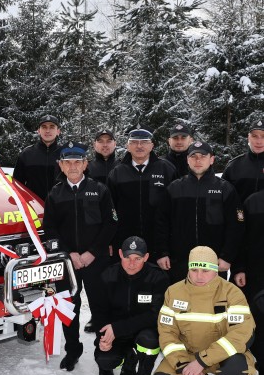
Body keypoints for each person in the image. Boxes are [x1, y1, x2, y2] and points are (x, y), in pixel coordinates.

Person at [150, 246, 256, 375]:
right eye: (194, 270)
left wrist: (201, 361)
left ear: (215, 270)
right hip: (188, 355)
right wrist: (183, 363)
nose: (199, 276)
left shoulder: (233, 293)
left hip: (223, 356)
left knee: (237, 369)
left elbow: (241, 334)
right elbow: (167, 333)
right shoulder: (173, 292)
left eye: (205, 270)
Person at [43, 141, 117, 372]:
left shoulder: (100, 189)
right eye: (68, 162)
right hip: (69, 262)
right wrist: (70, 253)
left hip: (96, 260)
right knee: (69, 307)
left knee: (100, 308)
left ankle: (103, 353)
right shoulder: (55, 193)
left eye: (77, 162)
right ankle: (72, 350)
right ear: (61, 166)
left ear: (86, 164)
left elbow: (111, 224)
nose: (73, 166)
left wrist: (92, 253)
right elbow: (50, 229)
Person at [93, 236, 170, 375]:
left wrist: (118, 328)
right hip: (115, 333)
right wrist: (102, 338)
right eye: (127, 257)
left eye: (138, 258)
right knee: (105, 360)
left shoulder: (158, 278)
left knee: (150, 341)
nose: (131, 263)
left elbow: (155, 315)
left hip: (142, 331)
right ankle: (126, 358)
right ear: (120, 254)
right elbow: (99, 313)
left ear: (147, 257)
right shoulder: (108, 275)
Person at [156, 141, 244, 283]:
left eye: (203, 156)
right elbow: (161, 223)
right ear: (187, 159)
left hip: (213, 263)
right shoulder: (175, 189)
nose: (198, 160)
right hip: (179, 262)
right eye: (193, 156)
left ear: (211, 159)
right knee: (181, 303)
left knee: (211, 303)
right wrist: (162, 252)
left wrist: (227, 256)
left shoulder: (225, 189)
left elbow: (235, 227)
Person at [107, 125, 177, 257]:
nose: (139, 146)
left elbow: (175, 208)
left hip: (159, 241)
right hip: (125, 241)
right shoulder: (117, 173)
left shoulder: (166, 169)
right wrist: (111, 239)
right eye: (134, 142)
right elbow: (110, 210)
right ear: (128, 146)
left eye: (144, 142)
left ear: (152, 145)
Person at [85, 128, 120, 333]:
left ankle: (117, 315)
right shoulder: (88, 167)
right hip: (95, 234)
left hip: (119, 230)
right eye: (101, 141)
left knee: (117, 277)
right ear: (95, 145)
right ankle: (97, 316)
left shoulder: (122, 166)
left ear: (115, 144)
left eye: (109, 141)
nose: (105, 144)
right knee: (96, 280)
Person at [233, 188, 264, 375]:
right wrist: (239, 267)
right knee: (259, 330)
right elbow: (240, 240)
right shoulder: (252, 202)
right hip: (256, 277)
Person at [13, 114, 62, 201]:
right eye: (44, 127)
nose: (47, 130)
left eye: (52, 127)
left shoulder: (66, 154)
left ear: (58, 131)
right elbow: (17, 184)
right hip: (33, 206)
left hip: (60, 207)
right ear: (38, 131)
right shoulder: (27, 154)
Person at [222, 118, 264, 202]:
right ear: (248, 138)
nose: (259, 141)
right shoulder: (234, 165)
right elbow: (223, 198)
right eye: (254, 136)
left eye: (263, 136)